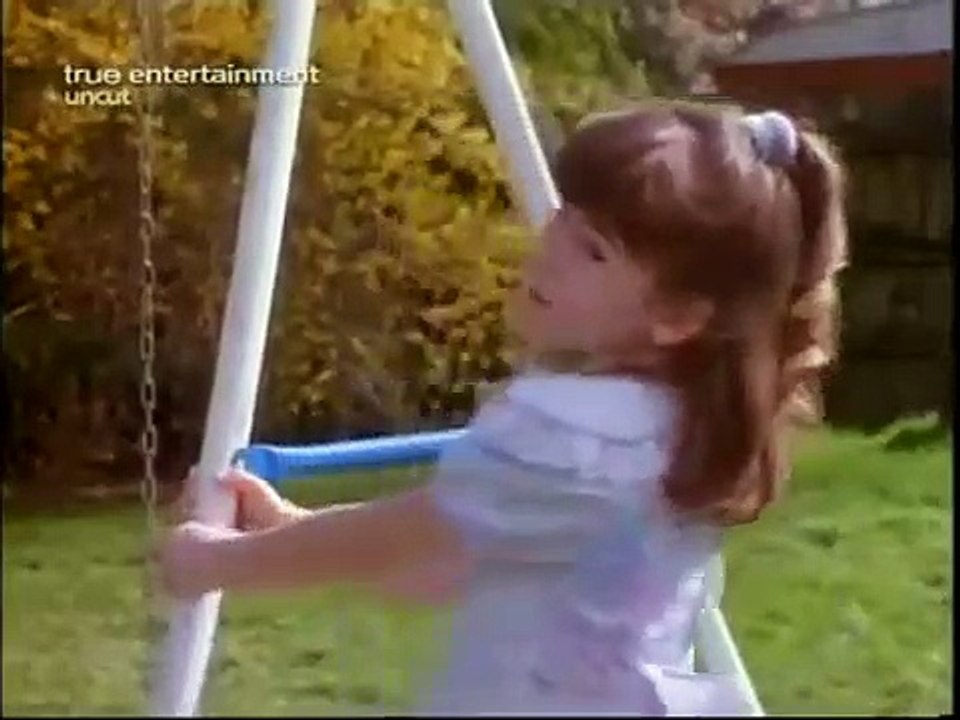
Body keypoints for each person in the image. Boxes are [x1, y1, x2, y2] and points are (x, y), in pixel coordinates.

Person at [159, 103, 848, 715]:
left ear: (677, 316)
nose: (549, 249)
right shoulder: (682, 425)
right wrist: (292, 527)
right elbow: (448, 567)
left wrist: (222, 562)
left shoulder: (574, 436)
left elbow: (405, 539)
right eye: (564, 220)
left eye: (592, 251)